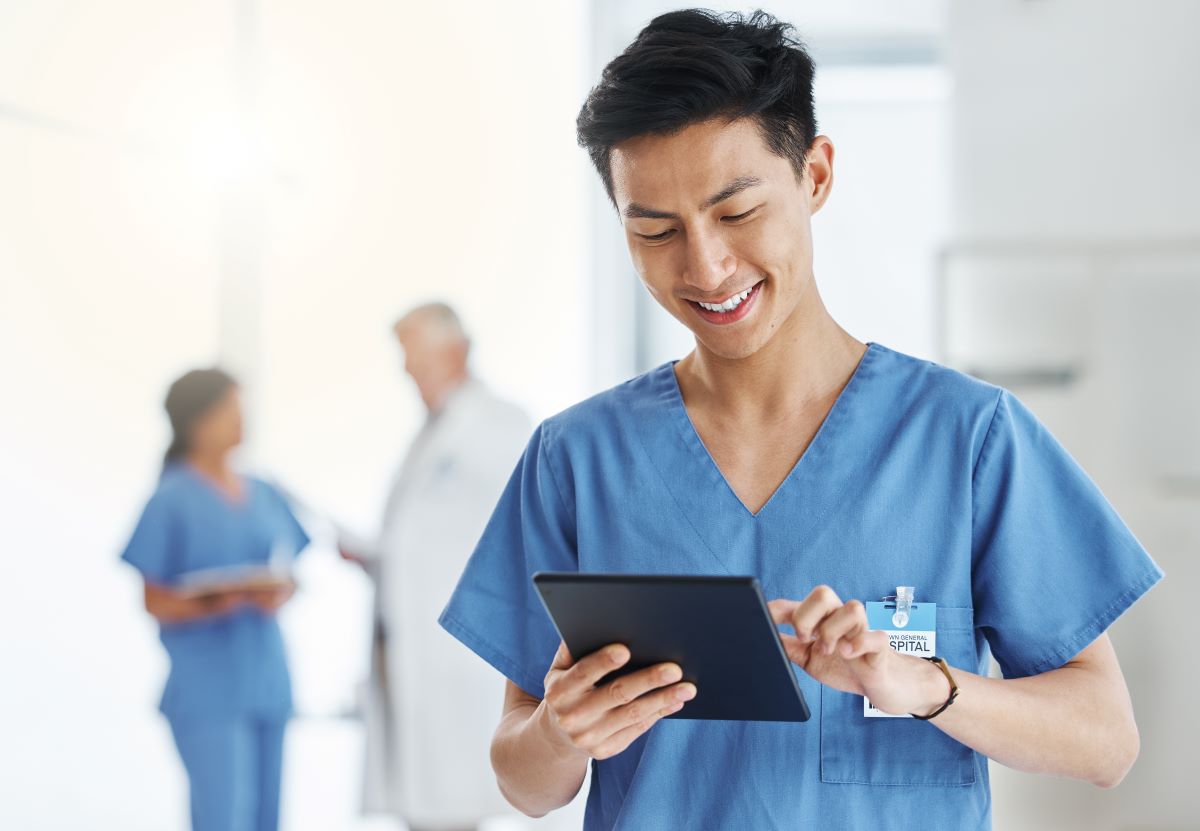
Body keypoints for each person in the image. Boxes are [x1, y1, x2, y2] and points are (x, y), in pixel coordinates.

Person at [438, 10, 1164, 830]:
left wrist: (928, 686)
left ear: (814, 175)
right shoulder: (578, 459)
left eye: (737, 212)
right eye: (655, 230)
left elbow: (1107, 739)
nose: (706, 266)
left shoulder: (967, 439)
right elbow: (526, 781)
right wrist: (560, 733)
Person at [339, 303, 531, 831]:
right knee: (427, 807)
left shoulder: (499, 425)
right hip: (410, 642)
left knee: (450, 802)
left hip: (456, 653)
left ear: (455, 351)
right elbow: (422, 541)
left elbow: (520, 534)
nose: (404, 369)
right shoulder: (430, 434)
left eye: (411, 354)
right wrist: (378, 556)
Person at [121, 368, 309, 831]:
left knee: (268, 821)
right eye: (231, 412)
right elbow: (154, 600)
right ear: (197, 422)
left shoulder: (264, 490)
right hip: (208, 689)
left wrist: (277, 590)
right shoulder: (170, 498)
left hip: (266, 678)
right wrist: (215, 602)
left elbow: (292, 571)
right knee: (223, 820)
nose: (242, 422)